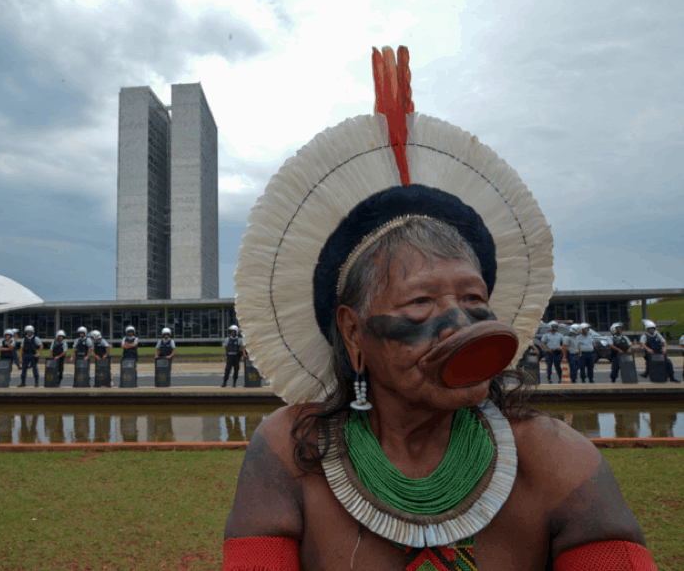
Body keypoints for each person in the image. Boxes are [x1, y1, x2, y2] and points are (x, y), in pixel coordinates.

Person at [222, 46, 655, 570]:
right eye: (422, 301)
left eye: (474, 299)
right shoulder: (291, 452)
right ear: (353, 333)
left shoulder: (556, 458)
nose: (460, 322)